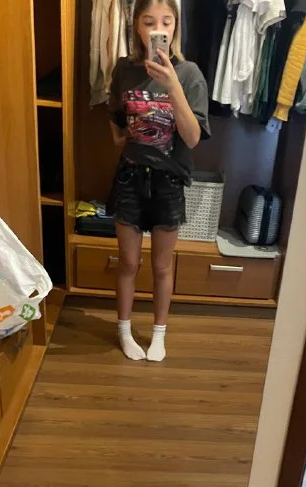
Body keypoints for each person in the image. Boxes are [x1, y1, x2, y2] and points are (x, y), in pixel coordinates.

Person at [108, 0, 210, 362]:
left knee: (162, 266)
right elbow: (116, 120)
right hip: (131, 177)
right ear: (137, 26)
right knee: (128, 263)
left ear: (175, 26)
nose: (158, 29)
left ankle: (159, 335)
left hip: (169, 181)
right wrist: (126, 136)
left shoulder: (189, 74)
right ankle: (124, 331)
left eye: (166, 22)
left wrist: (172, 85)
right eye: (149, 21)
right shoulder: (124, 70)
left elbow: (193, 138)